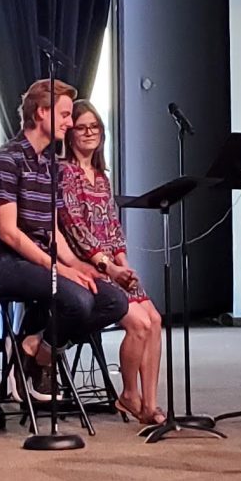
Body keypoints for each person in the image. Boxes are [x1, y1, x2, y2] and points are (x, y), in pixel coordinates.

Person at [0, 79, 131, 403]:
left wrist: (76, 264)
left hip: (41, 261)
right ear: (41, 113)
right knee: (77, 300)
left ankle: (36, 347)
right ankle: (37, 351)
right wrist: (59, 270)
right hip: (7, 263)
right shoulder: (5, 160)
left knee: (113, 300)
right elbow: (9, 233)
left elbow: (52, 230)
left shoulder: (49, 166)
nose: (69, 122)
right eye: (64, 115)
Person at [59, 102, 166, 426]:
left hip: (114, 264)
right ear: (71, 134)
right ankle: (129, 395)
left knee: (156, 320)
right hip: (90, 266)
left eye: (95, 126)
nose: (90, 132)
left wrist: (124, 263)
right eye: (82, 127)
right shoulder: (66, 173)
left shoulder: (102, 178)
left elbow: (113, 229)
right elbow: (75, 227)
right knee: (139, 324)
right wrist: (110, 267)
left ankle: (150, 404)